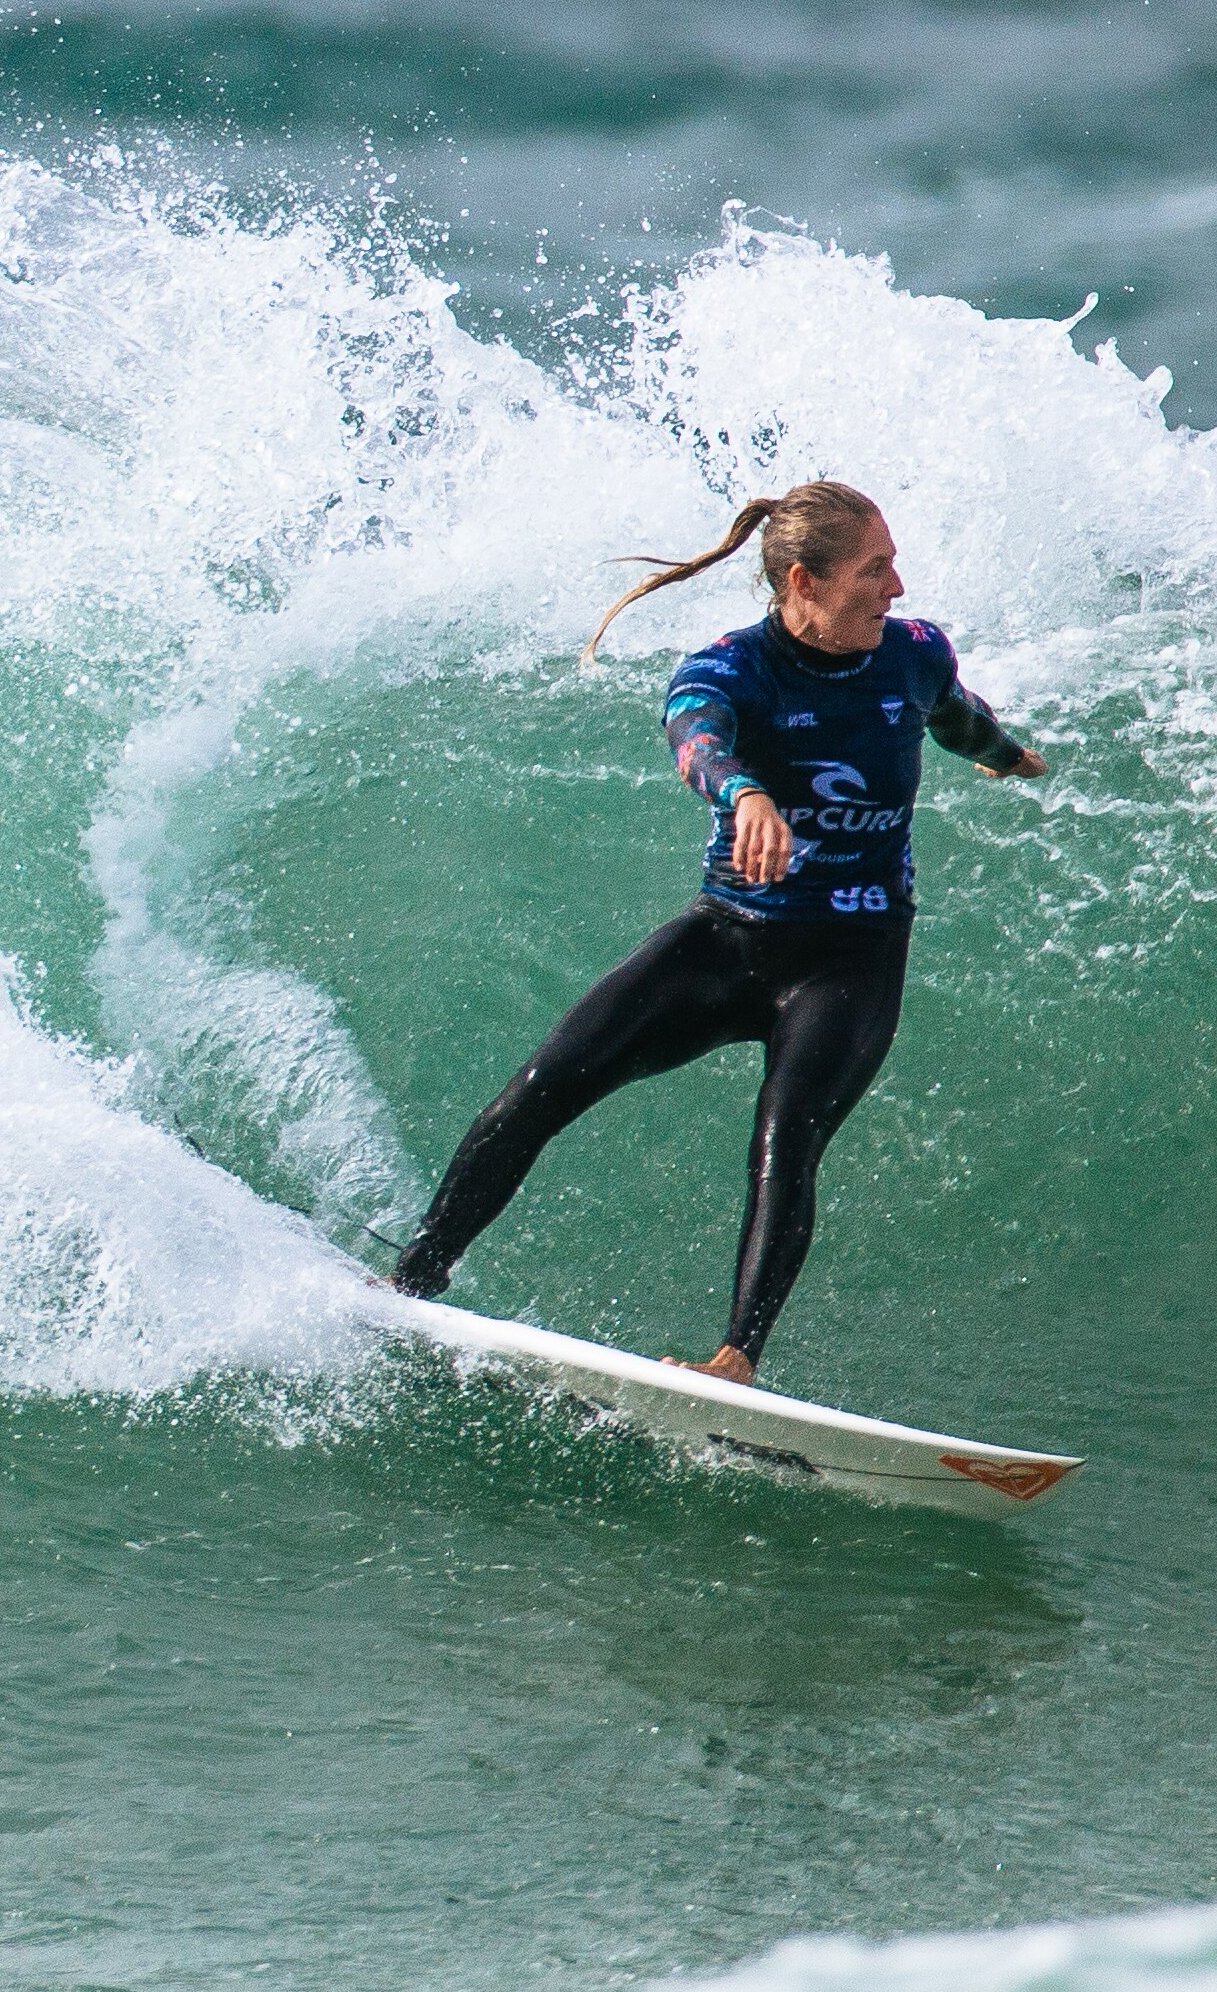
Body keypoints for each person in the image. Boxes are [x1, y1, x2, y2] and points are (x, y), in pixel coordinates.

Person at [381, 481, 1047, 1384]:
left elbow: (951, 712)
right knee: (539, 1085)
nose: (896, 587)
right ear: (804, 582)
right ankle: (411, 1281)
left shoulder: (913, 652)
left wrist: (1004, 755)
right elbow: (696, 737)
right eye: (875, 569)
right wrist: (746, 794)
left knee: (788, 1132)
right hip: (729, 938)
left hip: (851, 956)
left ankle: (736, 1357)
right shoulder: (728, 669)